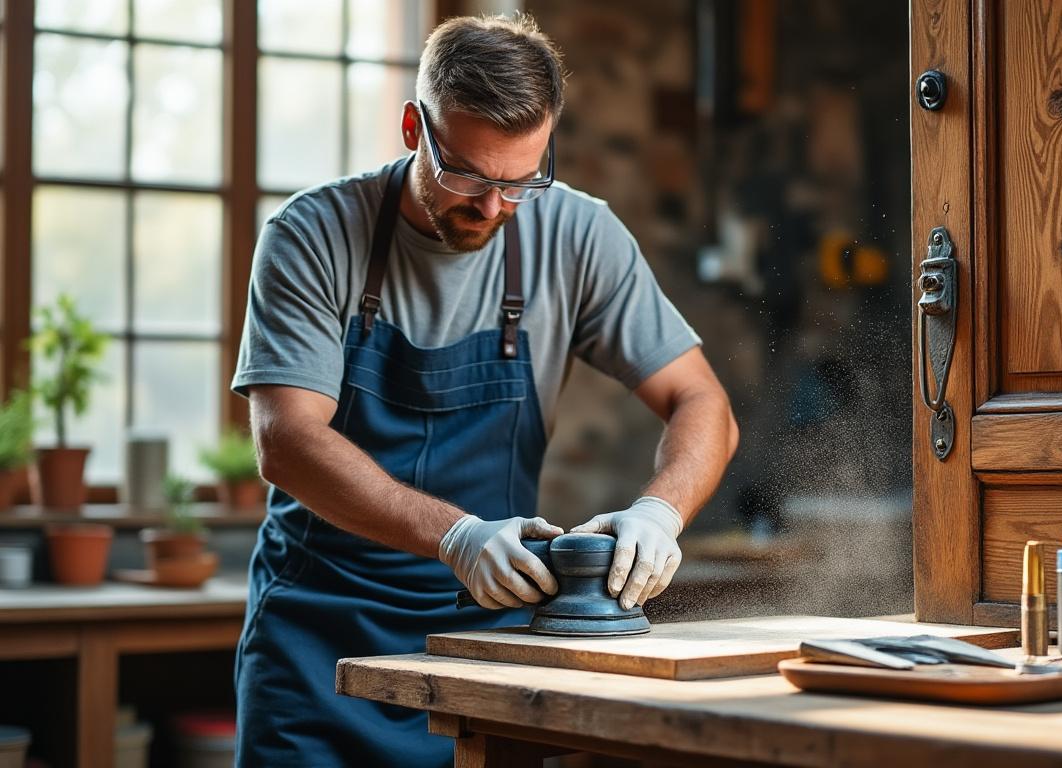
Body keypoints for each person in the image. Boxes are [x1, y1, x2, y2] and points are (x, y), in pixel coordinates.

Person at [230, 13, 738, 765]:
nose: (494, 205)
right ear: (413, 128)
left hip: (484, 646)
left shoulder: (576, 234)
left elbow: (704, 404)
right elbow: (288, 443)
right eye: (467, 174)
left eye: (521, 179)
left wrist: (660, 513)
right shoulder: (313, 233)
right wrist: (457, 537)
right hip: (318, 642)